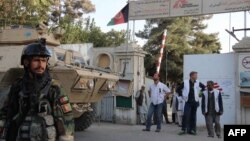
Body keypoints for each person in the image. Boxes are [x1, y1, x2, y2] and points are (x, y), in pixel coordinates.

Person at [0, 39, 74, 141]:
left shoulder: (54, 88)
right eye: (36, 60)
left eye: (43, 61)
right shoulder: (18, 86)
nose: (41, 65)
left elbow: (66, 121)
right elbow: (5, 113)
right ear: (26, 62)